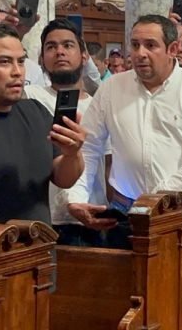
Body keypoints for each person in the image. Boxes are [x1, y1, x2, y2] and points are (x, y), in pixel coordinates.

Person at [64, 15, 182, 330]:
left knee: (177, 312)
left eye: (150, 45)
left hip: (181, 216)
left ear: (173, 49)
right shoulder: (112, 89)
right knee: (127, 308)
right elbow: (89, 146)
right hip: (125, 213)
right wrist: (76, 196)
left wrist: (157, 202)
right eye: (135, 45)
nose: (139, 53)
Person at [0, 24, 87, 310]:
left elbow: (62, 178)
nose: (18, 71)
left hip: (34, 267)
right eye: (4, 62)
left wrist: (72, 154)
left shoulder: (35, 112)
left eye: (20, 60)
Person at [24, 19, 109, 245]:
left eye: (68, 45)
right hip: (42, 218)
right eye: (51, 47)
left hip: (89, 215)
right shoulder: (27, 97)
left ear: (84, 56)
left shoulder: (99, 105)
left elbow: (108, 162)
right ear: (42, 59)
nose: (59, 52)